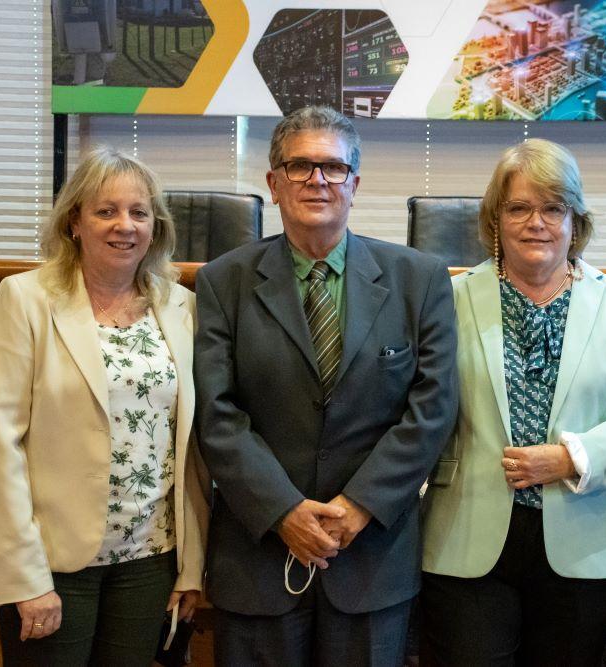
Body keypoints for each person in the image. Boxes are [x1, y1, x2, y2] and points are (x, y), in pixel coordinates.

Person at [194, 105, 458, 666]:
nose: (318, 180)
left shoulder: (420, 280)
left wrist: (358, 506)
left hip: (370, 560)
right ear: (273, 182)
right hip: (259, 553)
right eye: (300, 166)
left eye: (333, 168)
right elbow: (217, 414)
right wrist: (283, 511)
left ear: (355, 183)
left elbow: (431, 408)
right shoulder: (224, 281)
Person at [420, 138, 606, 665]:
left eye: (553, 207)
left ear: (575, 221)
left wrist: (570, 458)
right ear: (495, 220)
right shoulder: (449, 299)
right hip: (468, 539)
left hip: (585, 535)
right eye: (519, 207)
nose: (537, 222)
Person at [0, 146, 210, 665]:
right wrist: (25, 577)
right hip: (54, 563)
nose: (124, 225)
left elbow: (190, 446)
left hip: (151, 559)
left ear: (155, 226)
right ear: (74, 221)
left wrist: (190, 567)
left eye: (139, 212)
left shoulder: (180, 305)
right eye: (106, 211)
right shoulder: (24, 299)